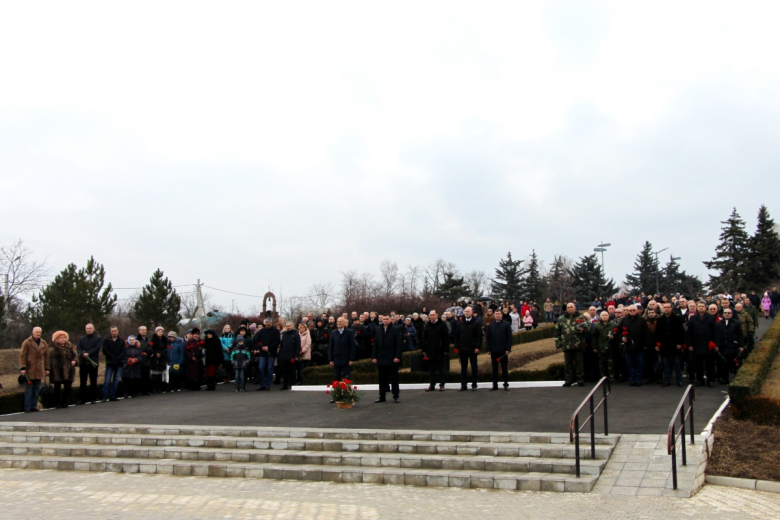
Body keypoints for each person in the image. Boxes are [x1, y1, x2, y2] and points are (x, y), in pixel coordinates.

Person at [555, 303, 587, 387]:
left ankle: (580, 380)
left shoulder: (581, 317)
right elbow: (557, 331)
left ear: (575, 308)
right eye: (568, 307)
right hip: (567, 345)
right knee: (568, 364)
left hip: (578, 344)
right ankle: (569, 380)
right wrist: (558, 343)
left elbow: (588, 328)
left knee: (579, 363)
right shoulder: (561, 318)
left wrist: (584, 329)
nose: (569, 309)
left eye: (571, 307)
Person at [372, 315, 402, 403]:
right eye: (383, 319)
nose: (385, 320)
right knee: (381, 379)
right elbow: (375, 344)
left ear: (390, 320)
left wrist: (397, 356)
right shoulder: (378, 329)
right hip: (381, 357)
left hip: (392, 358)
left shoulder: (396, 329)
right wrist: (374, 356)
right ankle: (382, 396)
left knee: (394, 378)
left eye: (387, 319)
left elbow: (399, 345)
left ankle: (396, 396)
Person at [687, 301, 718, 387]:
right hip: (697, 344)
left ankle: (710, 380)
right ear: (697, 307)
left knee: (710, 364)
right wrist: (690, 345)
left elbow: (715, 332)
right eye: (699, 306)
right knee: (698, 364)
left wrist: (716, 344)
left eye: (702, 306)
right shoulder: (693, 318)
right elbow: (689, 333)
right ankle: (699, 380)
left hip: (708, 344)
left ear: (705, 307)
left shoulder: (711, 318)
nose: (701, 308)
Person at [655, 303, 685, 387]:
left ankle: (679, 380)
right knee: (666, 364)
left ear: (671, 308)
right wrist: (657, 344)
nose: (666, 309)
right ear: (663, 309)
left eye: (668, 307)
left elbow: (681, 332)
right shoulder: (660, 320)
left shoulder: (677, 319)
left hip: (675, 345)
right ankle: (667, 380)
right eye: (665, 307)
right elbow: (657, 333)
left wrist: (680, 343)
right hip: (664, 345)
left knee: (677, 364)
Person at [619, 305, 650, 387]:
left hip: (639, 346)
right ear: (628, 311)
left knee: (639, 364)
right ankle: (632, 379)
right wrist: (622, 337)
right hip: (628, 346)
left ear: (637, 311)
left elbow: (646, 333)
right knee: (630, 364)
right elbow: (619, 331)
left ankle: (639, 379)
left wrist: (645, 344)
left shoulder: (642, 320)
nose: (632, 311)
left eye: (633, 310)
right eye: (630, 310)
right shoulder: (624, 320)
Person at [20, 327, 49, 413]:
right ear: (33, 333)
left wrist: (47, 368)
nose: (38, 334)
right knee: (29, 389)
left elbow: (46, 356)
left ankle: (34, 406)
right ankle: (27, 407)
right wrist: (23, 367)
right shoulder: (27, 342)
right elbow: (23, 355)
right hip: (30, 369)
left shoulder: (44, 343)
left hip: (39, 369)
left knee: (36, 389)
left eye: (40, 332)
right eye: (37, 332)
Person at [455, 306, 483, 391]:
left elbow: (479, 336)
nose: (467, 313)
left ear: (471, 312)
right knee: (463, 368)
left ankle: (474, 384)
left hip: (472, 349)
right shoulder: (460, 323)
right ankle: (464, 385)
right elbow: (457, 336)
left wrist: (478, 347)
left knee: (474, 367)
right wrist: (457, 347)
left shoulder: (476, 323)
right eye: (465, 311)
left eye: (468, 311)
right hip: (463, 349)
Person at [422, 310, 449, 392]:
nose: (432, 316)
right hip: (430, 350)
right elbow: (424, 338)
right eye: (431, 315)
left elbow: (446, 338)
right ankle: (432, 384)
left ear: (437, 315)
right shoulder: (427, 325)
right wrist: (424, 349)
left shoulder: (442, 325)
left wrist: (445, 349)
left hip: (440, 350)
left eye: (433, 315)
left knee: (441, 369)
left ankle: (442, 384)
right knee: (432, 369)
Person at [48, 330, 77, 409]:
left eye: (64, 337)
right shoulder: (52, 348)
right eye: (61, 338)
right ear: (57, 339)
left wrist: (74, 360)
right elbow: (49, 359)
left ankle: (63, 401)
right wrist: (47, 369)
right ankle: (57, 402)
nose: (63, 339)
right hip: (57, 369)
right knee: (57, 387)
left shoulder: (70, 346)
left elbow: (75, 355)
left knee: (68, 387)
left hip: (68, 369)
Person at [486, 309, 512, 391]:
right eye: (496, 314)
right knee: (494, 369)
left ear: (501, 315)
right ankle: (495, 385)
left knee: (504, 368)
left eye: (498, 314)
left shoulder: (506, 324)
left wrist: (508, 349)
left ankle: (506, 384)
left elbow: (509, 338)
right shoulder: (491, 325)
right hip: (493, 350)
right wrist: (488, 349)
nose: (497, 315)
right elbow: (488, 338)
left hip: (503, 350)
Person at [76, 323, 101, 405]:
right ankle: (82, 399)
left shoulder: (97, 338)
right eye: (87, 328)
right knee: (83, 381)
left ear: (93, 329)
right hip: (83, 363)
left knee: (93, 381)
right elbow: (78, 347)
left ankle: (93, 398)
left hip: (93, 363)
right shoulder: (82, 339)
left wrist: (88, 353)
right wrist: (83, 353)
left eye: (90, 328)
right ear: (85, 329)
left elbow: (97, 348)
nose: (89, 329)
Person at [716, 309, 743, 384]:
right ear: (723, 314)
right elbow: (717, 336)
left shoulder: (736, 323)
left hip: (733, 347)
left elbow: (740, 335)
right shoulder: (719, 324)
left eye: (729, 313)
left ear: (732, 314)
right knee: (724, 365)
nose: (727, 314)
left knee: (734, 365)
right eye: (725, 313)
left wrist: (741, 345)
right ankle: (725, 379)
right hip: (723, 347)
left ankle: (736, 380)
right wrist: (717, 345)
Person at [591, 311, 618, 383]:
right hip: (601, 347)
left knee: (611, 363)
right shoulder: (597, 326)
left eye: (606, 315)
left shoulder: (613, 325)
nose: (605, 316)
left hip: (611, 347)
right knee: (601, 364)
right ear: (600, 316)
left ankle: (612, 377)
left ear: (609, 316)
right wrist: (594, 347)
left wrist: (614, 337)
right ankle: (602, 377)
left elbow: (618, 335)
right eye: (603, 315)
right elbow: (594, 337)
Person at [328, 317, 356, 384]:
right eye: (338, 321)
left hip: (346, 359)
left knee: (347, 379)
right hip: (336, 359)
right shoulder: (333, 333)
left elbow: (353, 346)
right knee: (336, 379)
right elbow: (331, 347)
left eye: (340, 321)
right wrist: (331, 360)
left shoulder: (349, 332)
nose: (339, 323)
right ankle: (337, 393)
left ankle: (347, 393)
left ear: (344, 323)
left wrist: (351, 359)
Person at [255, 318, 280, 391]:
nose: (267, 326)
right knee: (261, 368)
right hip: (263, 353)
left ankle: (268, 384)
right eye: (266, 325)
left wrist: (269, 347)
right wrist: (261, 346)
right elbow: (258, 340)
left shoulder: (275, 331)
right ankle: (262, 384)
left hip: (271, 353)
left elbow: (277, 341)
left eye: (268, 325)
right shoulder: (262, 331)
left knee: (270, 369)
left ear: (271, 323)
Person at [101, 326, 124, 401]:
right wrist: (113, 357)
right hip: (110, 363)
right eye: (112, 331)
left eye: (115, 331)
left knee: (116, 380)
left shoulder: (121, 341)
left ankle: (112, 395)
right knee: (107, 380)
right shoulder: (106, 341)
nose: (113, 332)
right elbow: (105, 350)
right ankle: (104, 396)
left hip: (119, 363)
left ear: (117, 331)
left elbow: (123, 351)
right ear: (110, 332)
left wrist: (118, 358)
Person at [277, 322, 301, 390]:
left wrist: (296, 356)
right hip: (284, 355)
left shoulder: (296, 334)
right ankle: (285, 385)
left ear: (292, 326)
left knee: (292, 371)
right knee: (284, 371)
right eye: (287, 326)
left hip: (292, 356)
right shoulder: (285, 334)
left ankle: (293, 384)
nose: (288, 327)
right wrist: (281, 354)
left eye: (289, 326)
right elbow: (282, 345)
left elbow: (298, 346)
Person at [148, 326, 168, 393]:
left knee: (160, 374)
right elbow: (150, 348)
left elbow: (166, 348)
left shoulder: (164, 340)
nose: (160, 333)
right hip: (155, 358)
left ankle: (159, 388)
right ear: (156, 332)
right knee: (154, 375)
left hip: (162, 357)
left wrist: (161, 354)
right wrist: (155, 353)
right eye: (159, 331)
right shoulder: (153, 339)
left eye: (161, 331)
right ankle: (154, 388)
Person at [136, 326, 152, 395]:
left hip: (147, 360)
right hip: (140, 360)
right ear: (139, 331)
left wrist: (148, 353)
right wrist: (142, 353)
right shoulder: (137, 340)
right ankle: (139, 390)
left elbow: (150, 348)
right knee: (140, 376)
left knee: (146, 375)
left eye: (145, 330)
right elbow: (138, 348)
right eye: (143, 330)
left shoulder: (148, 340)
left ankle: (146, 390)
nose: (144, 331)